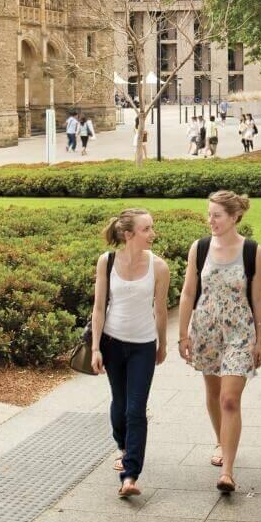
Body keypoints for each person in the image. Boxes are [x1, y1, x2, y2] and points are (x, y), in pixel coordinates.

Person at [177, 191, 261, 494]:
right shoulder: (199, 248)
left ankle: (227, 470)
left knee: (230, 398)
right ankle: (220, 439)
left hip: (241, 333)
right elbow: (188, 293)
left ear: (234, 217)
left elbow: (259, 297)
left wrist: (260, 340)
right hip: (206, 331)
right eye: (209, 214)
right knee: (213, 394)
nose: (210, 220)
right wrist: (183, 334)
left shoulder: (251, 250)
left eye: (217, 215)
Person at [91, 209, 170, 498]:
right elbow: (99, 308)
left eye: (152, 227)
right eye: (146, 229)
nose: (152, 233)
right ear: (128, 234)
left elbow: (160, 310)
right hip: (112, 343)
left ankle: (130, 475)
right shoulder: (107, 261)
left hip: (143, 346)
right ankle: (122, 445)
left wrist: (162, 344)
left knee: (136, 409)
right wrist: (96, 347)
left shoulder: (159, 267)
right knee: (120, 403)